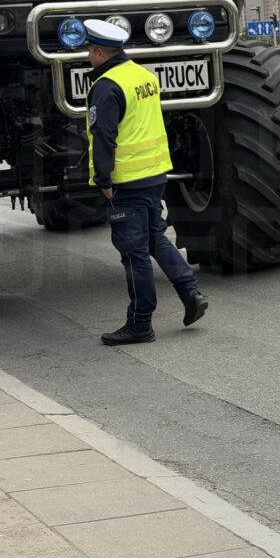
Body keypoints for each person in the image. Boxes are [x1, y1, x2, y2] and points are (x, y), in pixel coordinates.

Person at [83, 19, 208, 345]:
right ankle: (190, 293)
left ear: (99, 52)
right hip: (155, 174)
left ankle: (140, 323)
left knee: (133, 252)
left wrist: (103, 179)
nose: (88, 58)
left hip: (127, 181)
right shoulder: (144, 76)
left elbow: (104, 135)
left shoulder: (106, 85)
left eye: (89, 51)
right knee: (155, 238)